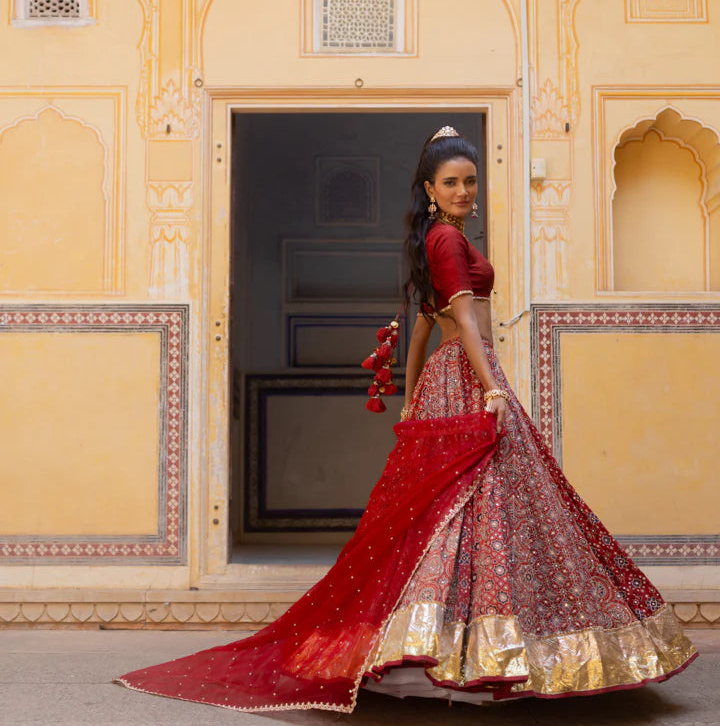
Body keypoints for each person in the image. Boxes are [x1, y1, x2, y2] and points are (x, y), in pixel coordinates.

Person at [115, 126, 697, 712]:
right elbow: (462, 323)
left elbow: (422, 325)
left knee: (459, 509)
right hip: (469, 376)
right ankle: (458, 654)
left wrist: (413, 396)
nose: (464, 191)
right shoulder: (446, 240)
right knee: (474, 506)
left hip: (454, 375)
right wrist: (492, 389)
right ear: (429, 188)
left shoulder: (439, 239)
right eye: (452, 182)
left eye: (471, 181)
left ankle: (449, 649)